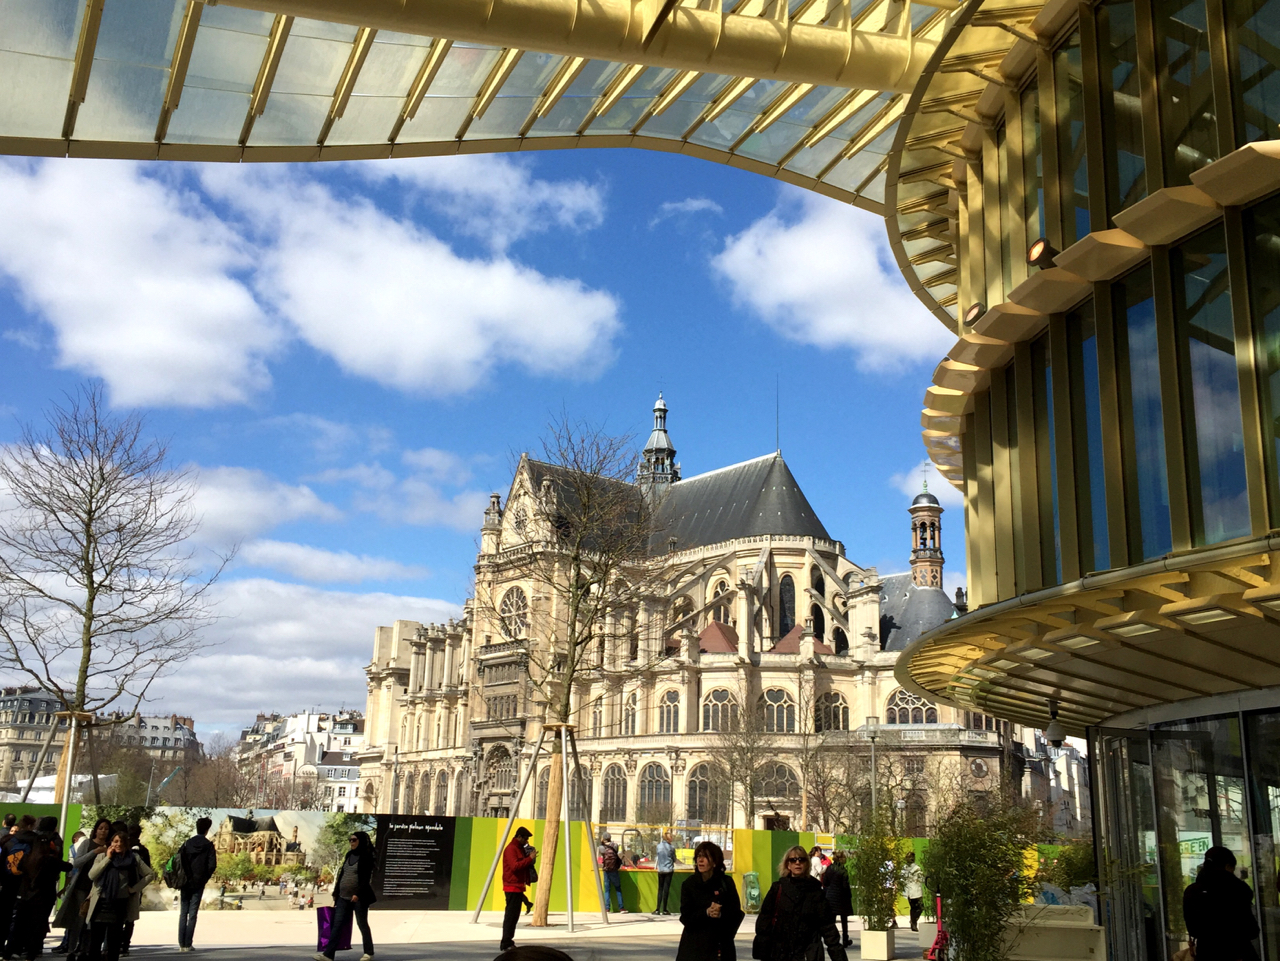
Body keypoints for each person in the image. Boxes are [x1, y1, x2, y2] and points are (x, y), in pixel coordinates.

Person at [755, 845, 848, 961]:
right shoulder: (778, 888)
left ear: (807, 864)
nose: (797, 863)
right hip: (780, 952)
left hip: (808, 953)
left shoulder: (815, 891)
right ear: (787, 865)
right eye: (793, 860)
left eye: (801, 859)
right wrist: (763, 951)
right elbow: (764, 920)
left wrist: (838, 955)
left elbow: (827, 927)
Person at [86, 829, 154, 961]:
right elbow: (92, 875)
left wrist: (134, 889)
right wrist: (108, 858)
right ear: (111, 843)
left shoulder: (133, 858)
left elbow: (150, 874)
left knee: (114, 944)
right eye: (115, 841)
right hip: (100, 904)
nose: (118, 844)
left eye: (121, 841)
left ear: (126, 844)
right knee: (95, 943)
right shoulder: (102, 856)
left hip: (119, 905)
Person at [1183, 846, 1260, 961]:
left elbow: (1193, 929)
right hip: (1238, 953)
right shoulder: (1237, 889)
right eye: (1232, 870)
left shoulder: (1192, 891)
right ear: (1227, 866)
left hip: (1206, 953)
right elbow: (1250, 929)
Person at [12, 816, 69, 961]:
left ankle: (13, 950)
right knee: (38, 923)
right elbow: (66, 865)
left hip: (25, 890)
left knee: (20, 922)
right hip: (45, 891)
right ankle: (34, 950)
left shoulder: (28, 846)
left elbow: (19, 866)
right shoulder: (53, 847)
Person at [53, 816, 112, 956]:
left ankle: (86, 950)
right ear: (96, 830)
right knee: (78, 920)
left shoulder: (110, 847)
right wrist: (94, 852)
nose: (103, 831)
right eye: (101, 828)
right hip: (82, 886)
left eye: (106, 829)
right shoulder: (87, 843)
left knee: (91, 923)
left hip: (98, 889)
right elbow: (77, 863)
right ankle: (72, 950)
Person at [675, 840, 742, 961]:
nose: (700, 860)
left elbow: (736, 913)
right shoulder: (689, 884)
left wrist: (721, 914)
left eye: (705, 857)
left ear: (715, 862)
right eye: (698, 856)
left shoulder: (726, 883)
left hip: (720, 948)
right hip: (693, 948)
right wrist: (706, 913)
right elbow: (686, 917)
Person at [314, 831, 376, 961]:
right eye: (350, 840)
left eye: (354, 840)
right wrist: (336, 892)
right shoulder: (349, 855)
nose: (351, 842)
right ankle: (328, 955)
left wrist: (357, 893)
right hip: (343, 896)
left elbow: (365, 878)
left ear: (361, 841)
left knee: (362, 923)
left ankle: (368, 953)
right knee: (337, 924)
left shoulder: (366, 856)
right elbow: (342, 874)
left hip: (359, 897)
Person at [176, 816, 218, 953]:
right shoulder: (208, 845)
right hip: (198, 883)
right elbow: (212, 865)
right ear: (207, 830)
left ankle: (181, 944)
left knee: (183, 913)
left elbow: (178, 860)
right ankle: (188, 944)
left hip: (185, 882)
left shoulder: (187, 843)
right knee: (193, 914)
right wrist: (204, 878)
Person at [499, 827, 537, 952]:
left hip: (518, 886)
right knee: (511, 916)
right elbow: (515, 866)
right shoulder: (511, 849)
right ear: (519, 837)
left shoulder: (519, 849)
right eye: (525, 838)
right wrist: (529, 858)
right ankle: (506, 942)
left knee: (514, 916)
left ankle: (509, 940)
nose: (526, 841)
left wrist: (530, 858)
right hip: (512, 886)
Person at [822, 851, 854, 948]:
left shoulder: (829, 868)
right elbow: (845, 885)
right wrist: (849, 895)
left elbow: (825, 882)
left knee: (832, 920)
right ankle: (845, 939)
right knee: (844, 920)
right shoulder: (842, 870)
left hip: (830, 897)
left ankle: (832, 939)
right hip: (841, 897)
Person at [598, 834, 625, 913]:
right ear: (610, 838)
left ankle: (607, 908)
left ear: (603, 838)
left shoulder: (601, 847)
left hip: (606, 870)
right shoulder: (615, 845)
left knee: (607, 890)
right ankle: (621, 907)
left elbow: (601, 854)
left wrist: (601, 843)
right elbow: (616, 853)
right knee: (618, 888)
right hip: (614, 870)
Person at [655, 832, 676, 916]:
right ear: (669, 838)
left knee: (660, 889)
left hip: (660, 870)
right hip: (668, 870)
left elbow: (658, 856)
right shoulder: (671, 847)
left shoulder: (658, 846)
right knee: (666, 889)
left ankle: (657, 909)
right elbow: (674, 859)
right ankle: (664, 909)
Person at [903, 852, 925, 933]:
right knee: (920, 907)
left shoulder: (904, 868)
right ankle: (913, 922)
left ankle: (913, 923)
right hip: (915, 891)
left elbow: (902, 879)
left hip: (908, 891)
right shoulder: (916, 868)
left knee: (913, 908)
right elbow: (921, 879)